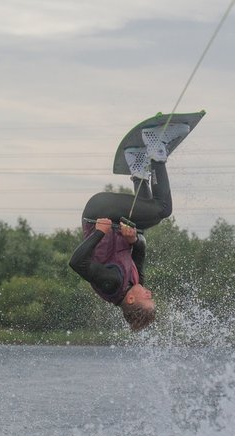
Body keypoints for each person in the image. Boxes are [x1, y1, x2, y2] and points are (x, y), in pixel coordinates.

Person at [69, 123, 188, 331]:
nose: (150, 293)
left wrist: (99, 232)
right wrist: (133, 240)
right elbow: (141, 247)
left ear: (131, 299)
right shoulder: (135, 282)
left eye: (147, 298)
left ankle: (157, 146)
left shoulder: (112, 283)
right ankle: (138, 164)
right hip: (115, 218)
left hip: (99, 213)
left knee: (163, 209)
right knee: (153, 218)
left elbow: (77, 263)